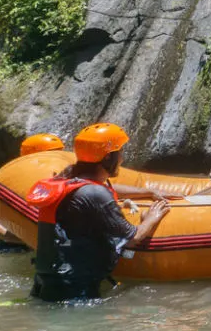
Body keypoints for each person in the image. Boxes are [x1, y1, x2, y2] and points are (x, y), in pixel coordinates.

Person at [26, 123, 170, 302]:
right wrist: (152, 218)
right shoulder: (95, 194)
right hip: (73, 289)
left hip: (46, 280)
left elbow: (99, 189)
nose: (122, 159)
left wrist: (147, 192)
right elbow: (133, 237)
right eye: (120, 153)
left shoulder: (67, 180)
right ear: (108, 157)